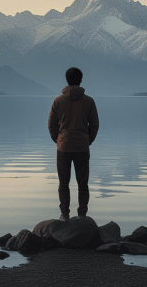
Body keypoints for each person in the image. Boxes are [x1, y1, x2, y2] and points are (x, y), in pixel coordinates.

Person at [48, 67, 99, 220]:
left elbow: (51, 125)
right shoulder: (89, 101)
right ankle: (82, 215)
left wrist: (59, 140)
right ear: (80, 80)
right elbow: (94, 125)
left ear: (67, 80)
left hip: (63, 147)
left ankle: (64, 215)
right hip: (82, 147)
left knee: (63, 183)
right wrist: (87, 141)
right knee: (83, 183)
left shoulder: (58, 101)